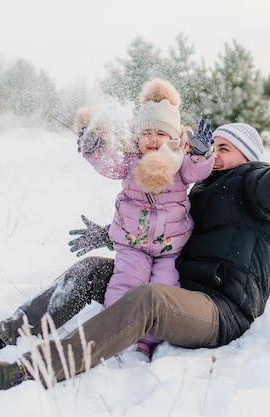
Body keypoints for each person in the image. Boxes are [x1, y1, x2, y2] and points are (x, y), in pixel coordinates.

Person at [0, 118, 270, 391]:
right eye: (210, 145)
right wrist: (109, 235)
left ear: (247, 158)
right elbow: (163, 228)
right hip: (177, 283)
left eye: (224, 149)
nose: (213, 154)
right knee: (92, 272)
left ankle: (27, 371)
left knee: (148, 301)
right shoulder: (198, 189)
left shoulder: (254, 185)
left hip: (218, 309)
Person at [74, 78, 215, 358]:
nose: (152, 139)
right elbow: (109, 164)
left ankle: (149, 340)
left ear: (173, 137)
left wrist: (201, 154)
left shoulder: (179, 163)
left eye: (160, 133)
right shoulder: (129, 161)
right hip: (131, 243)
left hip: (170, 249)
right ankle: (110, 335)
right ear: (137, 136)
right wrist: (95, 149)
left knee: (163, 288)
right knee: (126, 283)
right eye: (146, 133)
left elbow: (199, 171)